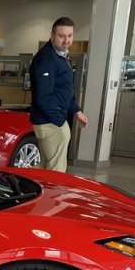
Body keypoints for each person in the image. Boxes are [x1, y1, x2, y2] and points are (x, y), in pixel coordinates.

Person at [29, 17, 88, 172]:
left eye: (70, 36)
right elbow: (43, 97)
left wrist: (76, 110)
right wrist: (59, 122)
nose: (66, 40)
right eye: (61, 36)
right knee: (56, 171)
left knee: (45, 167)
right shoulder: (48, 59)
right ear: (52, 35)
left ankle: (26, 191)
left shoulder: (61, 56)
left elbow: (63, 89)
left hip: (51, 121)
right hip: (51, 123)